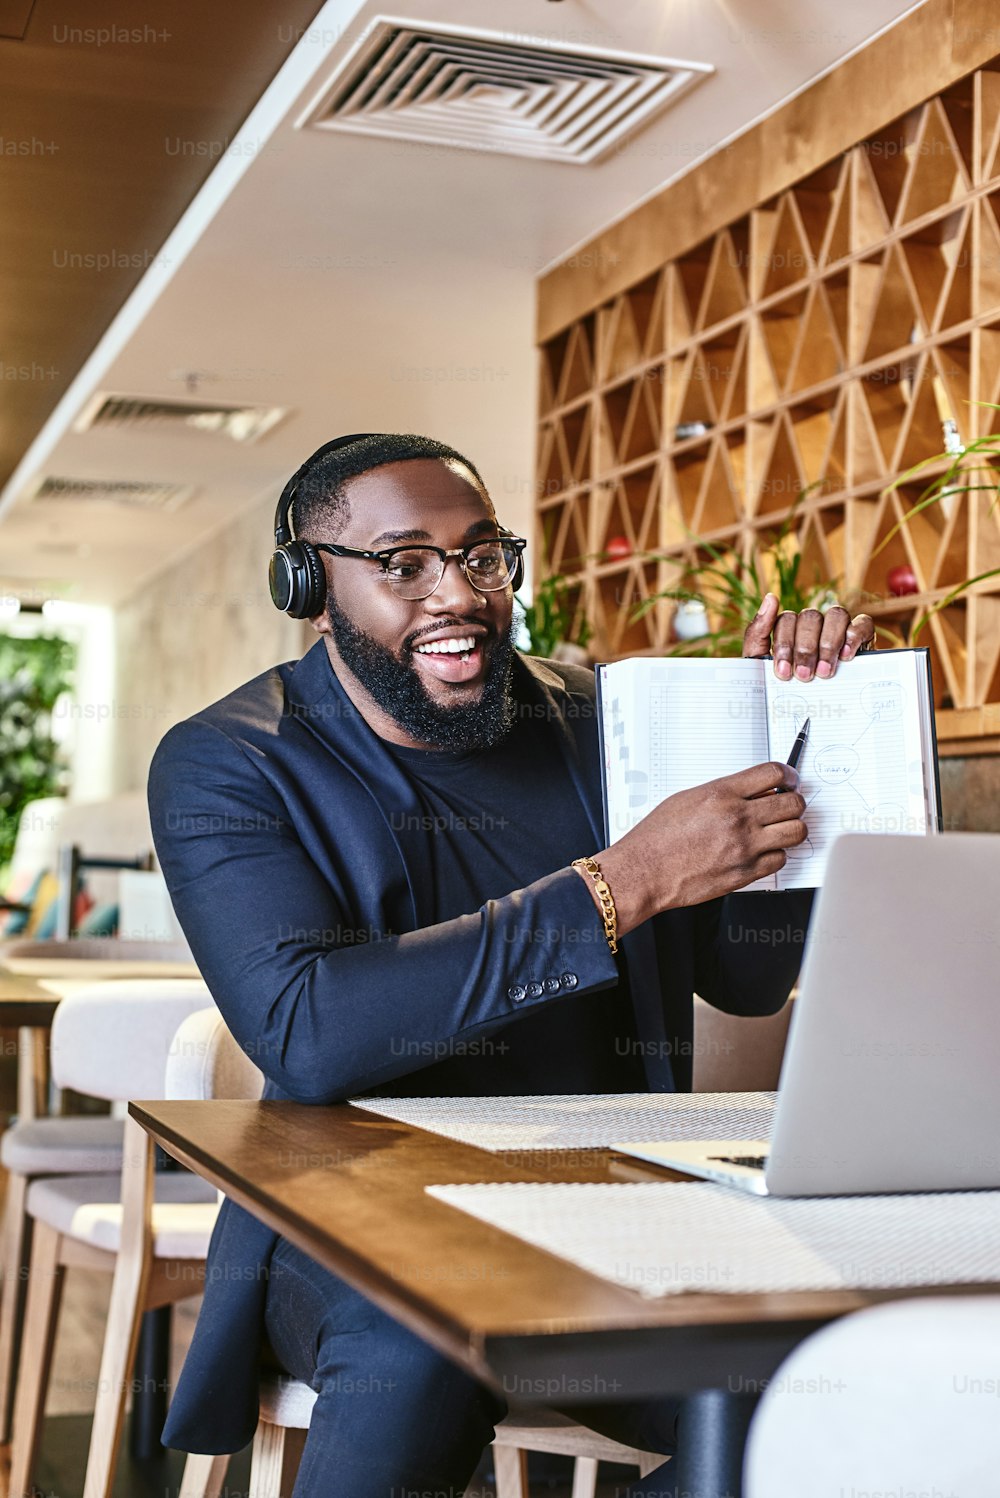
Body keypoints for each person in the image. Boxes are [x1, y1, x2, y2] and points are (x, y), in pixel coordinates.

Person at [148, 432, 875, 1496]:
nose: (458, 592)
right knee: (419, 1353)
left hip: (624, 1209)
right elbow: (307, 1031)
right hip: (347, 1219)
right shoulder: (234, 759)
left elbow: (749, 979)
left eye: (480, 556)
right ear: (309, 585)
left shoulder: (598, 721)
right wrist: (620, 883)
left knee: (840, 1382)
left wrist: (807, 746)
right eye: (403, 563)